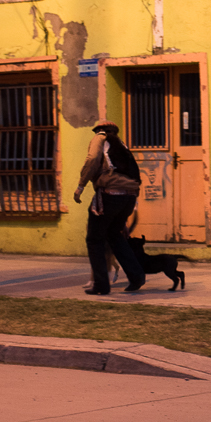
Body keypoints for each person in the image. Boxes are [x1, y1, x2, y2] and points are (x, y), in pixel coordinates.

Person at [75, 122, 144, 295]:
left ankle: (101, 285)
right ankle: (136, 276)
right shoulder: (121, 145)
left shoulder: (100, 138)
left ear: (99, 131)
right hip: (130, 196)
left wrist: (81, 186)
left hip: (109, 195)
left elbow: (92, 160)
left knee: (94, 239)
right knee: (114, 235)